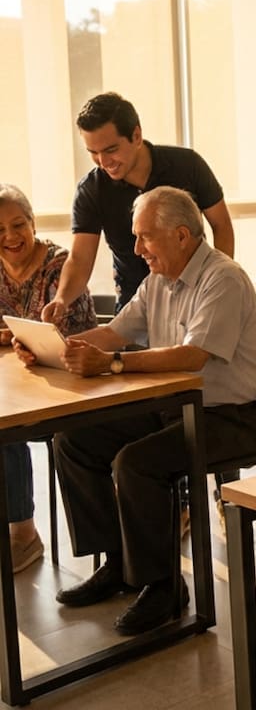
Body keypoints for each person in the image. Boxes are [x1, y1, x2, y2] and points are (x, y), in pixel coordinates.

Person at [27, 187, 256, 635]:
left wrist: (113, 364)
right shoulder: (157, 278)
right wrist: (58, 350)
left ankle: (164, 587)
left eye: (145, 237)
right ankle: (121, 563)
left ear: (181, 235)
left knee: (136, 465)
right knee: (74, 441)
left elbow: (192, 355)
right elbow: (117, 332)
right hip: (175, 407)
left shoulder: (223, 278)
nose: (137, 249)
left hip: (233, 417)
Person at [44, 92, 234, 320]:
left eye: (111, 150)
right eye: (93, 153)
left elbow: (221, 225)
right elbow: (80, 259)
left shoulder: (187, 165)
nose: (104, 163)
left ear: (136, 135)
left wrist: (218, 285)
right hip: (134, 309)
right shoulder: (91, 190)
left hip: (193, 300)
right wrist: (61, 300)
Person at [0, 184, 97, 573]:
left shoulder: (59, 265)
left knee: (6, 428)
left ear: (33, 223)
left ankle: (22, 535)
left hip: (73, 385)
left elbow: (64, 337)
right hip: (22, 384)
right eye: (0, 229)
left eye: (18, 225)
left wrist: (17, 337)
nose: (9, 237)